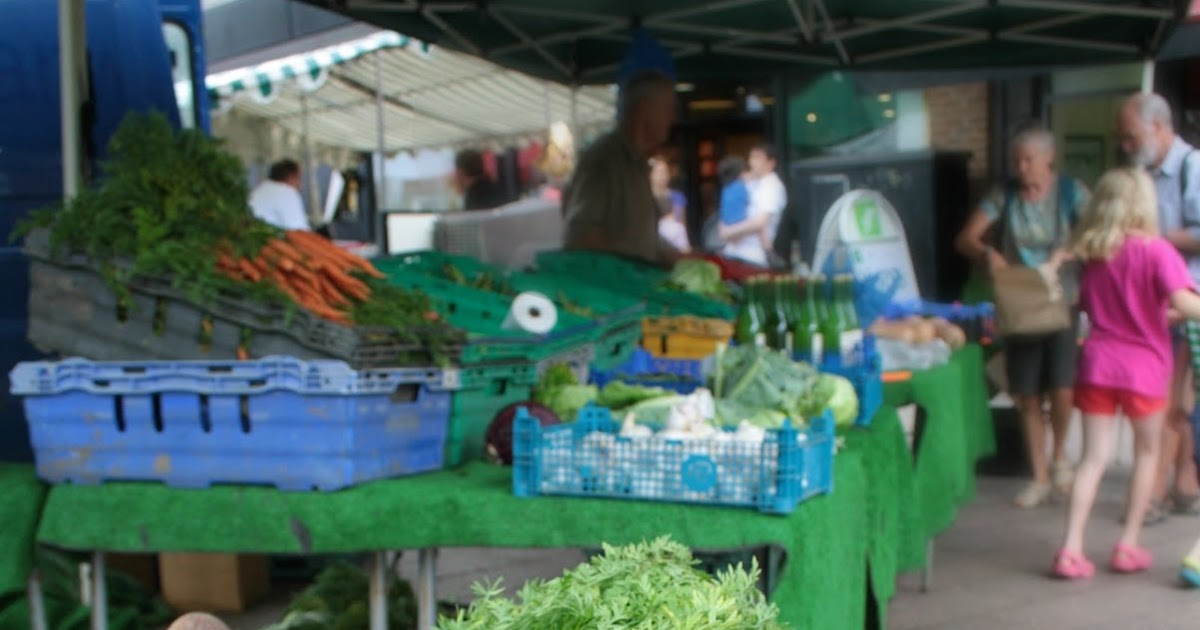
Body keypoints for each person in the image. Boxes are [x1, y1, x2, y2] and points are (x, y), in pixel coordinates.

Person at [1053, 167, 1200, 579]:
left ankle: (1070, 548)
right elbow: (1184, 304)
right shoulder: (1156, 251)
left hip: (1099, 363)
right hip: (1145, 370)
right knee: (1147, 454)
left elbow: (1094, 308)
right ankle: (1128, 544)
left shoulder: (1096, 254)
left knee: (1092, 459)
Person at [955, 124, 1089, 508]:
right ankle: (1040, 476)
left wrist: (1068, 253)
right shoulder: (1005, 195)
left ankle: (1061, 457)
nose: (1021, 167)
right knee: (1027, 395)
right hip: (1020, 304)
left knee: (1062, 387)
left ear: (1049, 158)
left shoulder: (1070, 192)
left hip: (1062, 298)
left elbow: (1098, 231)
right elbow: (965, 238)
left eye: (1028, 159)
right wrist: (986, 253)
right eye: (1017, 160)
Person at [1116, 92, 1200, 525]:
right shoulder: (1143, 174)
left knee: (1168, 400)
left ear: (1159, 128)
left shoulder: (1193, 167)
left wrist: (1153, 240)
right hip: (1158, 307)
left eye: (1131, 138)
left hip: (1186, 304)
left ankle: (1156, 493)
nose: (1126, 147)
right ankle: (1179, 487)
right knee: (1173, 398)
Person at [562, 69, 680, 266]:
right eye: (668, 108)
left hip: (639, 290)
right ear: (646, 110)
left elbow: (636, 241)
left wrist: (673, 257)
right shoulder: (603, 159)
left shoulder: (638, 164)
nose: (673, 118)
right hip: (612, 293)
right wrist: (628, 268)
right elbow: (579, 236)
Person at [719, 144, 787, 267]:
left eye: (758, 157)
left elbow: (760, 222)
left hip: (752, 257)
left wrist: (727, 232)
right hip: (732, 253)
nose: (752, 162)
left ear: (771, 163)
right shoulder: (749, 183)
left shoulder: (772, 186)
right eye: (751, 157)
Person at [249, 159, 311, 231]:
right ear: (291, 177)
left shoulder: (259, 190)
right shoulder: (287, 193)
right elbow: (299, 231)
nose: (300, 186)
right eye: (299, 179)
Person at [651, 157, 691, 252]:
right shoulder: (644, 197)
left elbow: (679, 220)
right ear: (651, 175)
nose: (662, 176)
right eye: (659, 172)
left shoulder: (677, 196)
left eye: (665, 172)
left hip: (674, 242)